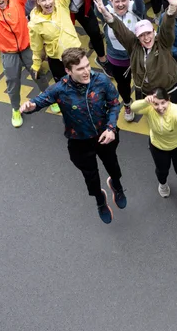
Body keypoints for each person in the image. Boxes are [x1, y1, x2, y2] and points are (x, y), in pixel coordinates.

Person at [21, 48, 126, 224]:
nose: (86, 72)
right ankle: (100, 201)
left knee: (112, 165)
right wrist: (30, 107)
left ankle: (117, 185)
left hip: (105, 136)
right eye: (80, 69)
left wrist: (111, 128)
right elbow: (39, 101)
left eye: (87, 66)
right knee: (90, 176)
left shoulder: (101, 81)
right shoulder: (60, 89)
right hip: (79, 142)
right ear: (68, 71)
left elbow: (114, 104)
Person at [131, 89, 177, 217]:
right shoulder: (149, 108)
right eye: (156, 104)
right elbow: (134, 107)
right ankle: (163, 184)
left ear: (169, 100)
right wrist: (145, 101)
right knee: (162, 170)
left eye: (163, 103)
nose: (160, 107)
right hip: (158, 145)